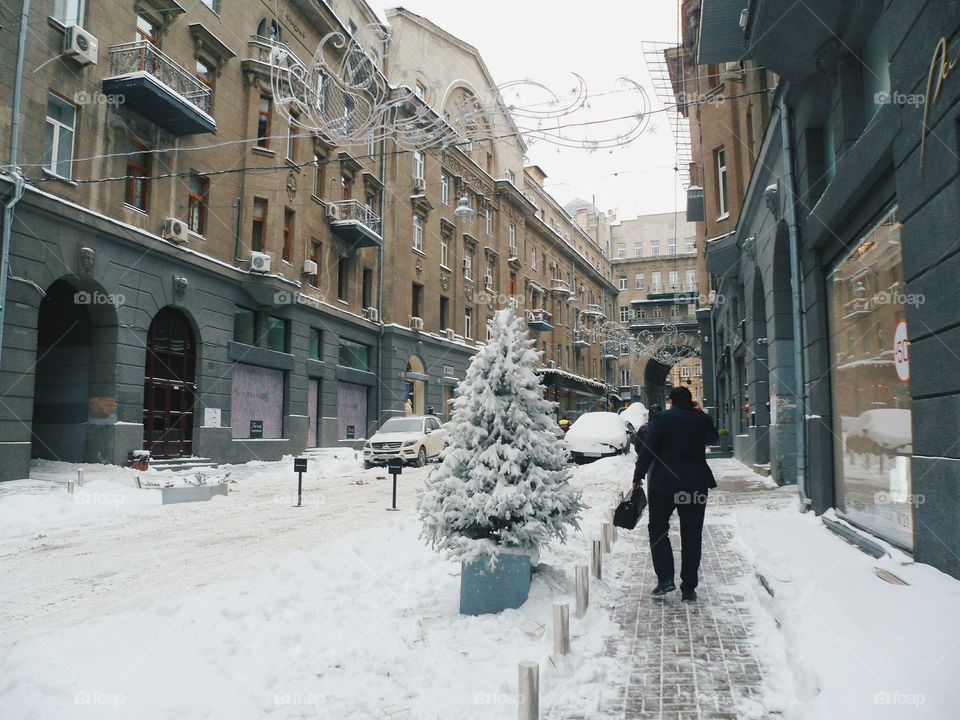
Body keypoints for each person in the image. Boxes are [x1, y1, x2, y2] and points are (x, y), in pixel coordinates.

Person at [633, 386, 719, 602]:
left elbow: (648, 450)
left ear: (671, 401)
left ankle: (665, 580)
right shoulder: (701, 419)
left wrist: (638, 476)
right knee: (692, 533)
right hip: (694, 485)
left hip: (664, 485)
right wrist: (700, 413)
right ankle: (689, 588)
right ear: (691, 401)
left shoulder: (662, 419)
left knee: (658, 529)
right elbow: (713, 439)